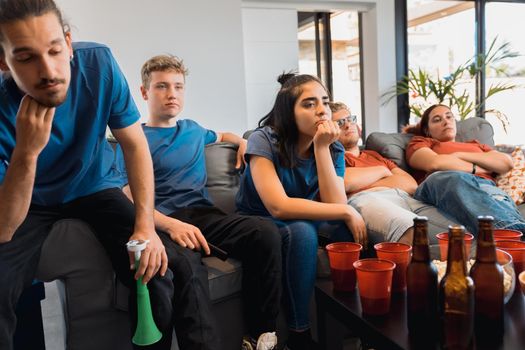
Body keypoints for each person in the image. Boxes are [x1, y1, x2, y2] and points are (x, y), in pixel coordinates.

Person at [0, 1, 177, 349]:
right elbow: (4, 227)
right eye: (26, 58)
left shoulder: (98, 63)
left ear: (68, 43)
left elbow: (135, 145)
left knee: (157, 273)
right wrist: (26, 152)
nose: (48, 71)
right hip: (28, 200)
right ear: (3, 62)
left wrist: (144, 227)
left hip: (94, 187)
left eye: (54, 50)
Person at [115, 54, 282, 350]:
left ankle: (259, 336)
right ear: (144, 92)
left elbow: (223, 134)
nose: (172, 94)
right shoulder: (132, 138)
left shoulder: (193, 129)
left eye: (178, 87)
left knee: (265, 232)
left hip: (205, 217)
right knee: (188, 268)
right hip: (163, 222)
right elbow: (125, 194)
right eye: (162, 87)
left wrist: (244, 142)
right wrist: (169, 224)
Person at [235, 73, 366, 350]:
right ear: (288, 111)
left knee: (349, 231)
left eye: (325, 102)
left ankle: (360, 326)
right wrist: (345, 211)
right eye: (308, 104)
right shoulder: (265, 139)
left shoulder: (334, 147)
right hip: (260, 219)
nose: (321, 110)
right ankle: (299, 334)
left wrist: (321, 148)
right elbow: (278, 206)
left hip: (303, 214)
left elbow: (335, 203)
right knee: (303, 232)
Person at [404, 104, 525, 236]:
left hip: (485, 187)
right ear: (427, 130)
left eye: (449, 117)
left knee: (498, 199)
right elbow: (436, 163)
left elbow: (506, 163)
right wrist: (480, 167)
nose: (446, 121)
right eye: (437, 119)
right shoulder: (421, 142)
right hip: (441, 185)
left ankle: (513, 238)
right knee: (450, 177)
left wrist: (459, 155)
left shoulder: (476, 144)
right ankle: (511, 233)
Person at [330, 102, 420, 244]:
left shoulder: (373, 155)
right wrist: (382, 171)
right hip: (368, 200)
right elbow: (344, 182)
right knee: (409, 228)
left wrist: (364, 181)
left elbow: (410, 184)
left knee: (451, 230)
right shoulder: (332, 157)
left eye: (350, 119)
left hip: (405, 198)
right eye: (340, 123)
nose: (347, 125)